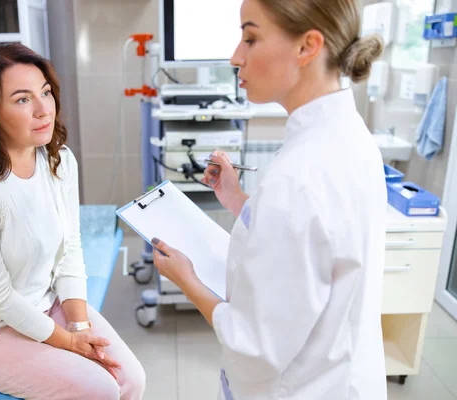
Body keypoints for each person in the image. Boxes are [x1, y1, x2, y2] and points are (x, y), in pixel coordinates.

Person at [151, 0, 388, 399]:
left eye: (251, 38)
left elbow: (253, 346)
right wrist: (239, 200)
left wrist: (187, 281)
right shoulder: (346, 137)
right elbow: (317, 246)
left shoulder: (300, 176)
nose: (235, 56)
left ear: (307, 47)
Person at [0, 43, 145, 400]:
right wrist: (71, 343)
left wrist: (79, 326)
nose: (44, 109)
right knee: (99, 389)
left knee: (129, 380)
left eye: (45, 92)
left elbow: (70, 247)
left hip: (44, 303)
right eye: (22, 99)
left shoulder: (58, 160)